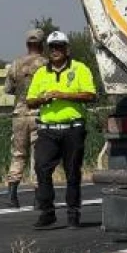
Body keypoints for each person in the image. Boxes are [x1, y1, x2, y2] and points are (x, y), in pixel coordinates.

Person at [25, 31, 97, 228]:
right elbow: (30, 101)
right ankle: (47, 211)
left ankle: (73, 213)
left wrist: (64, 95)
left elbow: (91, 95)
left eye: (59, 47)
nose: (55, 51)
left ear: (67, 49)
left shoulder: (80, 69)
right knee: (41, 167)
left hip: (72, 128)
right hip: (48, 130)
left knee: (72, 171)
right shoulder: (41, 73)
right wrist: (43, 99)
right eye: (52, 48)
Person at [2, 29, 48, 208]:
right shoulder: (46, 64)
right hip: (39, 114)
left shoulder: (15, 64)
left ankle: (12, 195)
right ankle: (38, 197)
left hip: (19, 114)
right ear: (42, 44)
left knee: (18, 154)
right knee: (38, 155)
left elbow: (8, 89)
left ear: (27, 44)